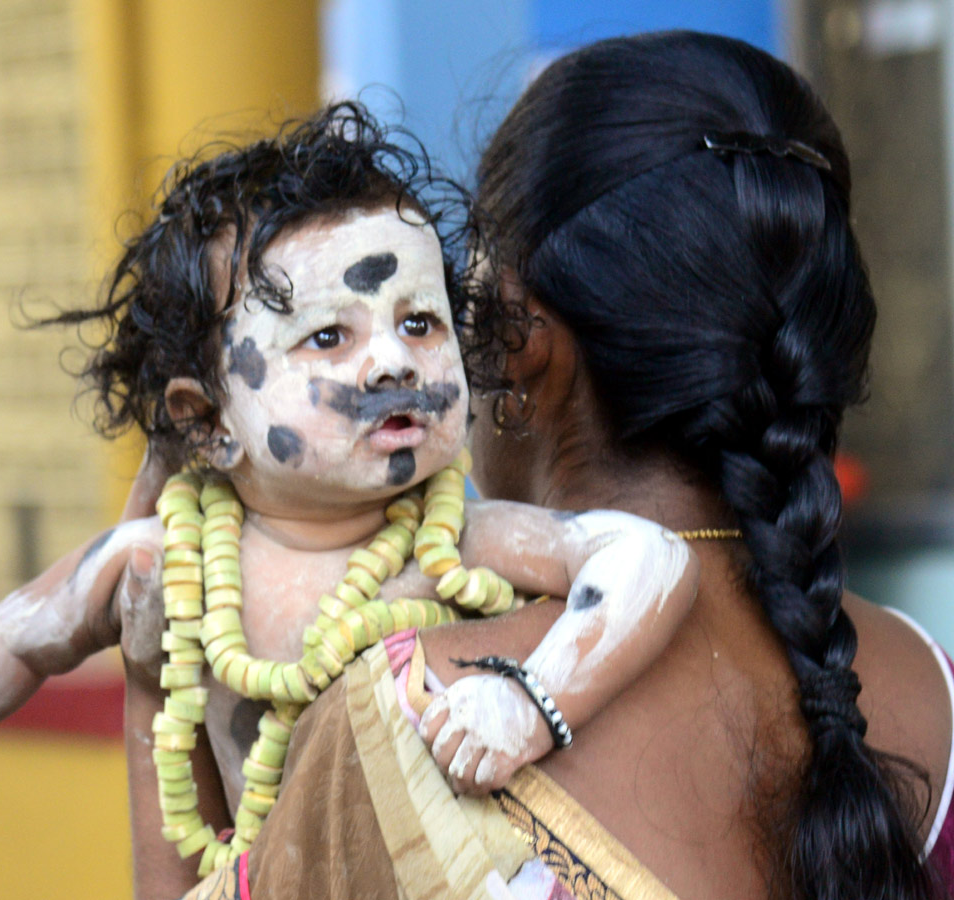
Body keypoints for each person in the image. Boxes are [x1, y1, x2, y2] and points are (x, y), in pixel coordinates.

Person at [0, 103, 699, 900]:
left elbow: (648, 560)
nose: (391, 361)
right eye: (328, 336)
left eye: (419, 323)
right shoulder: (167, 562)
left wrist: (532, 702)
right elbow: (3, 642)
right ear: (204, 425)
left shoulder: (460, 542)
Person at [178, 31, 954, 900]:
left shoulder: (411, 718)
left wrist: (154, 677)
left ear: (522, 339)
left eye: (435, 314)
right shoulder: (931, 680)